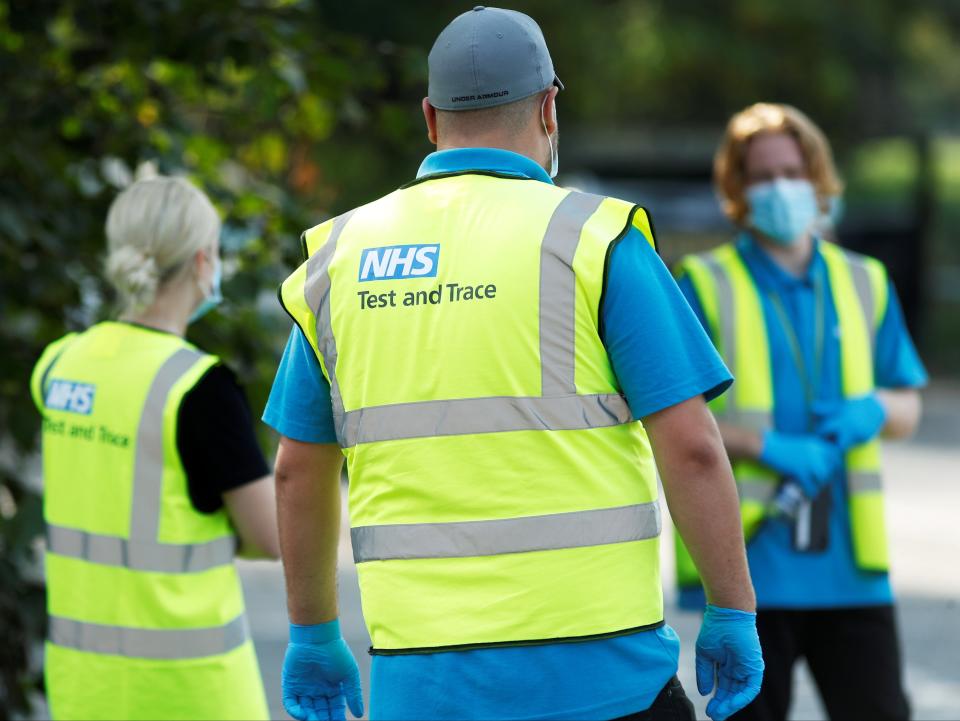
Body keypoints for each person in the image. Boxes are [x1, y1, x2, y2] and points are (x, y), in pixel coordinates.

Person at [265, 7, 765, 721]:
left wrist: (313, 633)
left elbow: (297, 468)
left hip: (423, 687)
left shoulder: (338, 260)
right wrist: (732, 608)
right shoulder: (596, 239)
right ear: (548, 107)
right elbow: (691, 447)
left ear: (431, 120)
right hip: (604, 678)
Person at [673, 103, 926, 720]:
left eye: (792, 171)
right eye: (762, 175)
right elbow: (674, 423)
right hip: (750, 572)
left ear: (817, 178)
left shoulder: (866, 280)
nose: (780, 186)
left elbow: (908, 406)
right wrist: (767, 447)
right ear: (737, 187)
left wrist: (873, 410)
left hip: (851, 574)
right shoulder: (701, 283)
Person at [31, 176, 278, 720]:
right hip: (190, 692)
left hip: (82, 689)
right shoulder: (200, 388)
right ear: (201, 262)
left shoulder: (57, 366)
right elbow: (271, 537)